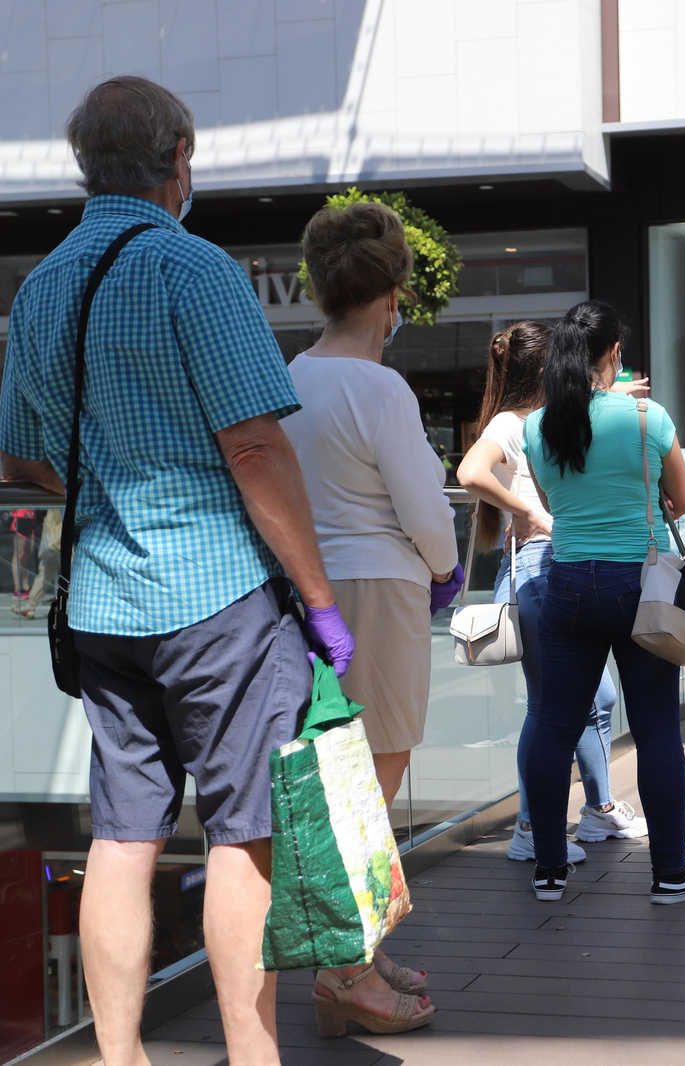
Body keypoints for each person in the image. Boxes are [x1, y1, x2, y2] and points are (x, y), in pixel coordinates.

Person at [0, 77, 357, 1066]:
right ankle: (250, 1053)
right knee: (243, 834)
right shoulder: (195, 272)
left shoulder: (38, 288)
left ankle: (120, 1058)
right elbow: (255, 452)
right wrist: (321, 604)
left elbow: (19, 462)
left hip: (104, 606)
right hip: (216, 599)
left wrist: (108, 471)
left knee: (123, 835)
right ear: (178, 160)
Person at [283, 199, 469, 1036]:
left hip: (307, 595)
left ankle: (359, 947)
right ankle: (345, 971)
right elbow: (427, 514)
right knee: (370, 782)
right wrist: (446, 570)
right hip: (379, 590)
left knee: (337, 778)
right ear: (393, 297)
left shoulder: (287, 376)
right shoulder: (381, 387)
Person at [521, 300, 685, 905]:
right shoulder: (645, 418)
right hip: (640, 586)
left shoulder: (537, 425)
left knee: (554, 727)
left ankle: (550, 869)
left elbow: (556, 505)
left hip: (568, 583)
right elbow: (683, 499)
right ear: (612, 354)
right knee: (658, 730)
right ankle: (670, 875)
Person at [457, 320, 648, 865]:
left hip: (552, 571)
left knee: (595, 698)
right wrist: (532, 513)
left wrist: (610, 393)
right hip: (538, 571)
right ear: (547, 368)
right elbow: (471, 472)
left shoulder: (543, 420)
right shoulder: (514, 422)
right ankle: (530, 826)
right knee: (550, 707)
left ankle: (597, 807)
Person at [8, 508, 39, 602]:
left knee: (29, 552)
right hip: (19, 517)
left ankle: (25, 587)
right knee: (19, 554)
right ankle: (17, 588)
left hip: (31, 516)